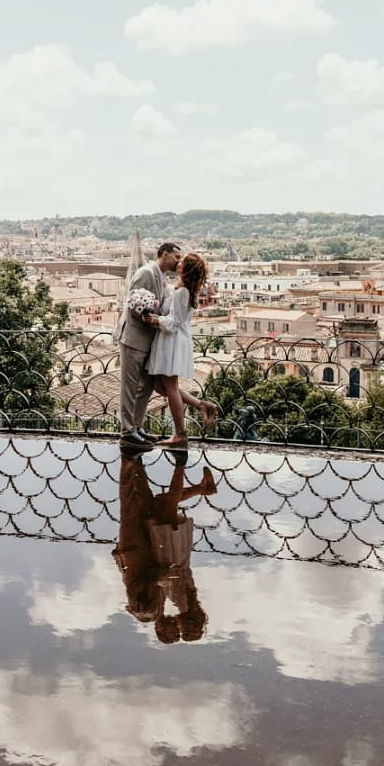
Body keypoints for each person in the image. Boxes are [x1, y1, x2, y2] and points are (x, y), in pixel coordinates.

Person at [112, 449, 216, 645]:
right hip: (140, 553)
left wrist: (161, 579)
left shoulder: (159, 608)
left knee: (151, 503)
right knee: (134, 502)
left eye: (172, 632)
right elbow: (152, 579)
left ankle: (135, 456)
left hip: (147, 553)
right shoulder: (152, 610)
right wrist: (161, 578)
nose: (174, 628)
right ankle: (133, 455)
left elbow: (151, 583)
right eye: (177, 631)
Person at [146, 252, 217, 449]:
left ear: (186, 269)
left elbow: (173, 323)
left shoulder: (182, 292)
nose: (179, 262)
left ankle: (180, 434)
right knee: (162, 387)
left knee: (169, 387)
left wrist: (154, 320)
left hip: (173, 341)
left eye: (182, 261)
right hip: (173, 340)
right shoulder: (181, 290)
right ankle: (202, 405)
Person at [115, 242, 181, 448]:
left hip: (147, 340)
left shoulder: (160, 278)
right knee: (130, 386)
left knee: (146, 386)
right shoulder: (146, 273)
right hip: (134, 338)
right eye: (176, 257)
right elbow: (134, 303)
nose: (179, 261)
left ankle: (137, 426)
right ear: (165, 254)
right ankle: (127, 432)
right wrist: (151, 317)